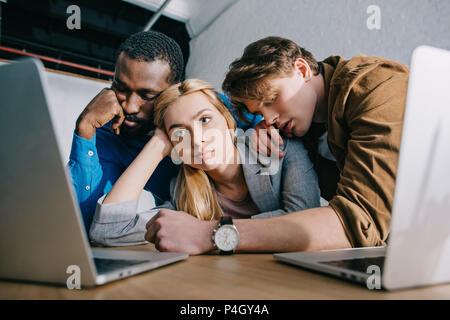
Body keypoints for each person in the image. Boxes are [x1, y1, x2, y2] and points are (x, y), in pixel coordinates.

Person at [220, 36, 409, 250]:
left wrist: (219, 233)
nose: (269, 118)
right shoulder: (301, 130)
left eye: (271, 99)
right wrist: (259, 129)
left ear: (302, 70)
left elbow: (359, 224)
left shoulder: (375, 86)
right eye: (259, 113)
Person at [89, 79, 321, 252]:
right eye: (179, 132)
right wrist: (156, 146)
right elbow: (108, 231)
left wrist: (208, 232)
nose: (196, 138)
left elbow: (304, 221)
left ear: (227, 119)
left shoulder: (281, 149)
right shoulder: (184, 195)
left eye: (205, 120)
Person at [68, 31, 261, 232]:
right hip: (190, 223)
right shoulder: (108, 133)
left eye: (148, 95)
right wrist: (85, 129)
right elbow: (87, 222)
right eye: (121, 87)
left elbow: (267, 119)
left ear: (173, 91)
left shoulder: (207, 106)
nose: (130, 107)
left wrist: (264, 129)